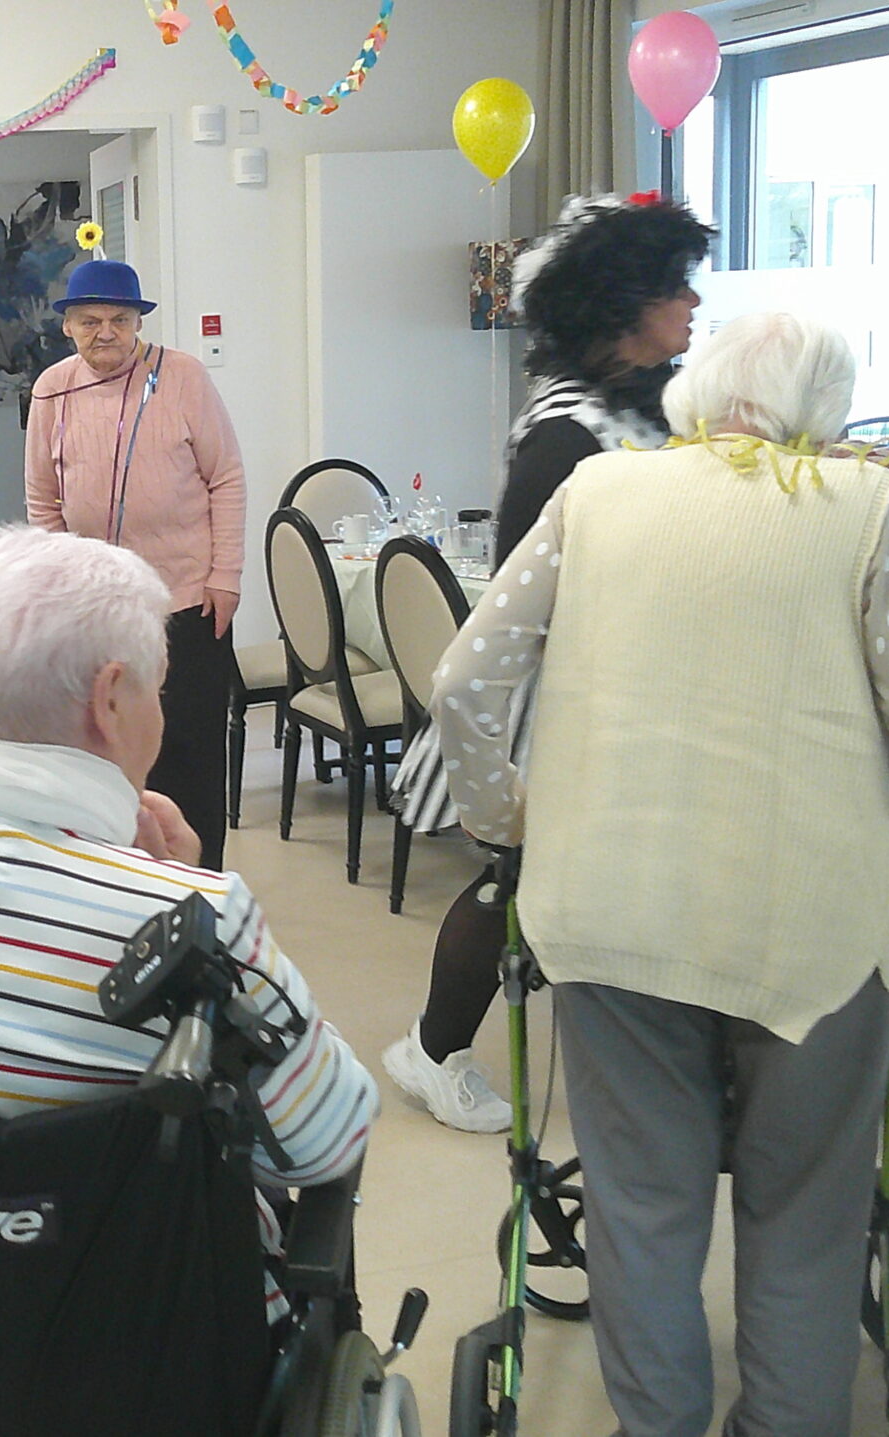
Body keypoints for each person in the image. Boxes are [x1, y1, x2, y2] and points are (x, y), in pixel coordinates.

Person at [431, 312, 889, 1437]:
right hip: (817, 927)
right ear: (821, 410)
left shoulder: (596, 492)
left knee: (640, 1204)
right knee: (804, 1211)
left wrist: (511, 819)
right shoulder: (862, 507)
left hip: (611, 907)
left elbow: (463, 683)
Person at [0, 525, 376, 1321]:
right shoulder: (195, 918)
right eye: (157, 689)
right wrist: (179, 883)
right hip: (143, 1334)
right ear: (110, 699)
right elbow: (331, 1138)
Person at [382, 193, 715, 1134]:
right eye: (675, 287)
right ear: (622, 305)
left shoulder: (640, 408)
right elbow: (524, 599)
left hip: (625, 687)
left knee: (547, 885)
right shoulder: (566, 431)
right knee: (514, 882)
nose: (693, 304)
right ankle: (433, 1050)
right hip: (564, 698)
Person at [25, 259, 245, 869]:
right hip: (99, 609)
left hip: (187, 598)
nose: (106, 333)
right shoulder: (51, 389)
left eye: (119, 320)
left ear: (138, 322)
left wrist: (226, 576)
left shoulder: (184, 377)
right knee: (110, 751)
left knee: (190, 749)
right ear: (67, 325)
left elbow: (226, 477)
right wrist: (60, 586)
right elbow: (43, 501)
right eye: (90, 321)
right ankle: (126, 879)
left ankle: (200, 880)